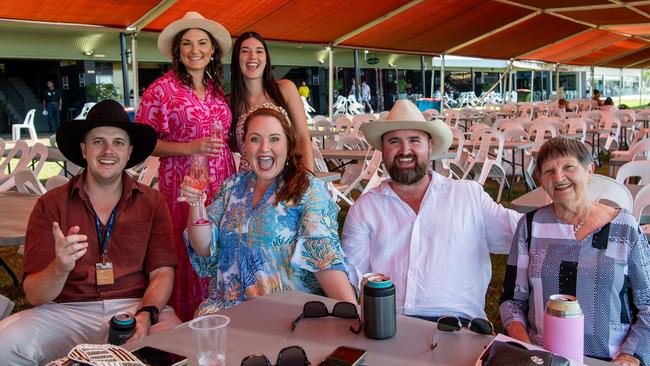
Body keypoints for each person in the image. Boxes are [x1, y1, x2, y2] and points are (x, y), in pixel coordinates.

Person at [0, 100, 180, 365]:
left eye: (118, 142)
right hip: (65, 311)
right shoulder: (51, 204)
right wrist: (60, 267)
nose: (108, 150)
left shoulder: (151, 202)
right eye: (98, 141)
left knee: (179, 344)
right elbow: (35, 295)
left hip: (132, 305)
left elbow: (163, 272)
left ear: (129, 151)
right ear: (84, 149)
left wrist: (146, 313)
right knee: (5, 343)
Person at [342, 100, 522, 323]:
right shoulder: (365, 208)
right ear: (383, 150)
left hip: (459, 324)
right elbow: (352, 276)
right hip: (391, 323)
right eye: (394, 141)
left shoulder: (468, 196)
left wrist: (568, 213)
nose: (405, 150)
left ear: (430, 145)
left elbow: (524, 233)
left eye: (414, 140)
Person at [181, 104, 355, 315]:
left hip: (286, 317)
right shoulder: (232, 187)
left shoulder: (308, 190)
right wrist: (196, 202)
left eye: (274, 139)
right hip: (225, 314)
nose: (264, 148)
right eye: (255, 139)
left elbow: (324, 258)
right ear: (244, 145)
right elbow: (203, 247)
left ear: (289, 145)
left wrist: (351, 312)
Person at [500, 137, 649, 366]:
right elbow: (512, 300)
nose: (558, 177)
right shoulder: (530, 227)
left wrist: (629, 357)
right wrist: (527, 349)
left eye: (568, 167)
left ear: (589, 171)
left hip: (611, 360)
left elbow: (647, 303)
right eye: (548, 171)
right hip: (543, 357)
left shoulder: (624, 228)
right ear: (540, 180)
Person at [136, 11, 235, 321]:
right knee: (189, 251)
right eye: (188, 44)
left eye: (203, 43)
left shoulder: (215, 89)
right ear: (178, 51)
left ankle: (225, 312)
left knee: (221, 247)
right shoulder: (161, 90)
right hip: (184, 185)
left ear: (213, 50)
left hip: (222, 182)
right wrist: (190, 148)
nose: (195, 50)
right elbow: (143, 142)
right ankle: (189, 321)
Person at [229, 32, 314, 173]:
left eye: (259, 51)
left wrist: (309, 179)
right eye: (245, 51)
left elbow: (302, 138)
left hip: (286, 177)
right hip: (248, 182)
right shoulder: (230, 103)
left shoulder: (285, 89)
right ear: (236, 60)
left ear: (266, 59)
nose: (253, 56)